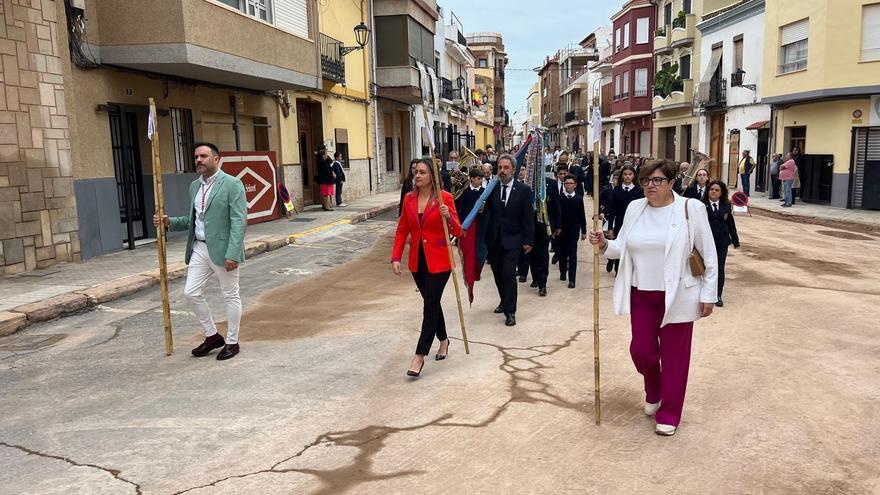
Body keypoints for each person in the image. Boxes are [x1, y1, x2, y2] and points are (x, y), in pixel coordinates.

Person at [588, 159, 718, 437]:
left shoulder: (690, 208)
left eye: (657, 180)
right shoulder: (635, 208)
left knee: (675, 358)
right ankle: (654, 387)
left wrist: (709, 293)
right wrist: (604, 244)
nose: (650, 186)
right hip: (642, 293)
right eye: (646, 181)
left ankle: (670, 411)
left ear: (672, 182)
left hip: (680, 294)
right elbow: (622, 246)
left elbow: (709, 253)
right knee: (641, 351)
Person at [153, 142, 247, 361]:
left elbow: (239, 221)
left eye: (204, 156)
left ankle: (232, 342)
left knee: (230, 295)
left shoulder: (233, 184)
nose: (199, 160)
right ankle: (212, 336)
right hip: (199, 247)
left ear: (216, 159)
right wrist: (169, 222)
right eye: (196, 156)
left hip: (224, 250)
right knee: (191, 292)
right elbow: (193, 219)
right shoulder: (195, 186)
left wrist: (233, 252)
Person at [391, 158, 463, 377]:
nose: (418, 176)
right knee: (431, 303)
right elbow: (402, 229)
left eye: (422, 172)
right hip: (417, 260)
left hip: (439, 260)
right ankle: (444, 340)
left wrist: (448, 216)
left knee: (429, 306)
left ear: (432, 176)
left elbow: (458, 231)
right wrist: (396, 256)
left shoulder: (445, 198)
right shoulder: (409, 199)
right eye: (416, 172)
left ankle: (419, 356)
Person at [484, 154, 534, 327]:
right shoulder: (491, 189)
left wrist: (529, 240)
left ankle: (510, 311)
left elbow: (528, 218)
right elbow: (483, 211)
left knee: (508, 274)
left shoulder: (524, 191)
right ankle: (504, 300)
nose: (502, 171)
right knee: (498, 274)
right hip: (495, 239)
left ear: (513, 169)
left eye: (506, 168)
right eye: (500, 168)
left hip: (513, 240)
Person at [703, 180, 739, 307]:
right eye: (711, 189)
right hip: (705, 243)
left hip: (721, 242)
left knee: (719, 269)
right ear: (708, 191)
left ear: (721, 192)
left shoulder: (726, 205)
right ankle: (704, 294)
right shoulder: (701, 205)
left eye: (717, 190)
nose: (713, 191)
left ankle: (717, 295)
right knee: (705, 268)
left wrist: (735, 240)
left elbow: (731, 223)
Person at [605, 165, 643, 274]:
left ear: (634, 176)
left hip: (635, 224)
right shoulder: (616, 190)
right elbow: (612, 210)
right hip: (620, 223)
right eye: (625, 174)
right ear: (622, 176)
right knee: (619, 246)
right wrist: (610, 227)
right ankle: (617, 267)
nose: (627, 176)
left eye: (630, 174)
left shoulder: (639, 190)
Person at [555, 174, 587, 288]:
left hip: (573, 230)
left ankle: (572, 279)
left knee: (572, 253)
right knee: (562, 252)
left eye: (571, 183)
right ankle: (563, 272)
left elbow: (582, 215)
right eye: (566, 183)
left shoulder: (578, 199)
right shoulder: (560, 198)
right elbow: (556, 215)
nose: (569, 185)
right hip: (561, 230)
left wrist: (584, 230)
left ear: (575, 185)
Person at [316, 146, 336, 211]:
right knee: (325, 194)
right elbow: (327, 170)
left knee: (326, 193)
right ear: (322, 153)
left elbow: (330, 161)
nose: (327, 153)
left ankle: (325, 205)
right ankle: (326, 207)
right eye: (325, 152)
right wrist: (332, 174)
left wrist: (327, 158)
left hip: (326, 179)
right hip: (325, 179)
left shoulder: (325, 160)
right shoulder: (321, 161)